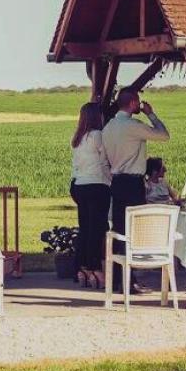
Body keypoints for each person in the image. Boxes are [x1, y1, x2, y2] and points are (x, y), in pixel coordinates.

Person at [102, 88, 169, 292]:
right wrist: (150, 113)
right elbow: (163, 135)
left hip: (117, 182)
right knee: (133, 231)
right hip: (133, 184)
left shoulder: (109, 127)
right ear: (132, 103)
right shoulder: (132, 126)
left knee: (119, 229)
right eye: (138, 102)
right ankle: (129, 281)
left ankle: (117, 279)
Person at [69, 102, 110, 289]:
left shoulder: (77, 138)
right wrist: (111, 180)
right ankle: (95, 268)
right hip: (97, 185)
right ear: (97, 116)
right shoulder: (98, 136)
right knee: (98, 229)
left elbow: (75, 166)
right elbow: (104, 163)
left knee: (85, 228)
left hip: (79, 185)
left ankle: (81, 268)